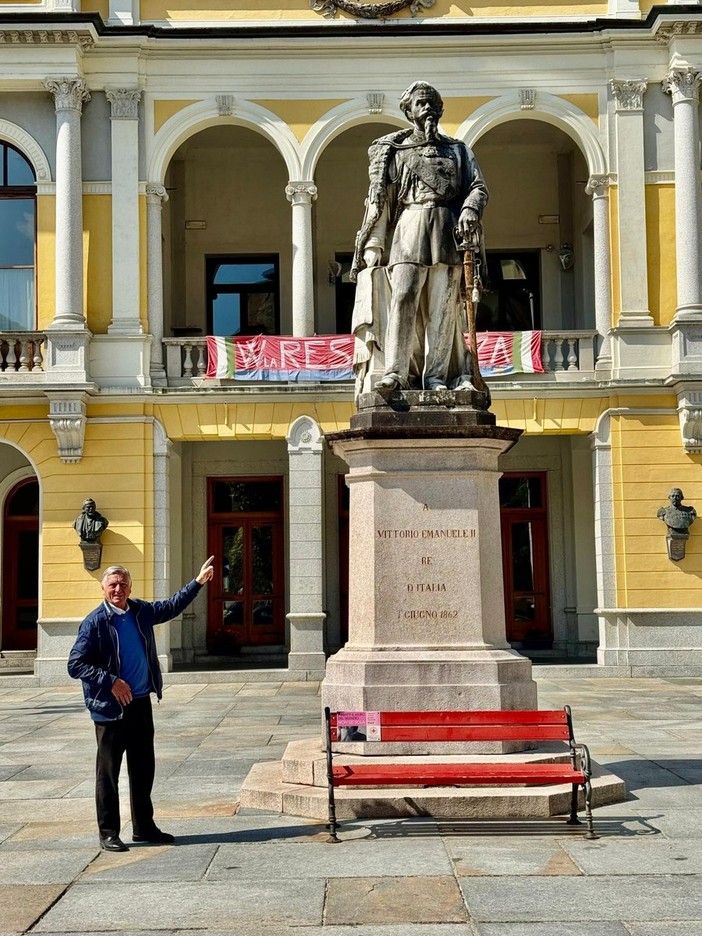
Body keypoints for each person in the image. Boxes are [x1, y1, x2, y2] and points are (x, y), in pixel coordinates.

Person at [67, 557, 215, 852]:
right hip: (110, 709)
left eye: (123, 584)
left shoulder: (139, 612)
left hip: (140, 703)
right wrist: (111, 681)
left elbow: (170, 606)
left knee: (143, 767)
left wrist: (197, 582)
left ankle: (143, 827)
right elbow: (76, 663)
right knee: (108, 773)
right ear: (103, 589)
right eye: (112, 585)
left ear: (130, 587)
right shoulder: (95, 622)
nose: (118, 589)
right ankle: (108, 832)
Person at [351, 80, 489, 394]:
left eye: (431, 104)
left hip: (447, 229)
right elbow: (380, 200)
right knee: (402, 300)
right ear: (409, 111)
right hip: (409, 226)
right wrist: (374, 244)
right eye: (420, 103)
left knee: (442, 309)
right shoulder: (395, 153)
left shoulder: (458, 150)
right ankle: (395, 373)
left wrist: (470, 207)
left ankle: (436, 377)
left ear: (439, 110)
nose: (427, 108)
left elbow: (478, 187)